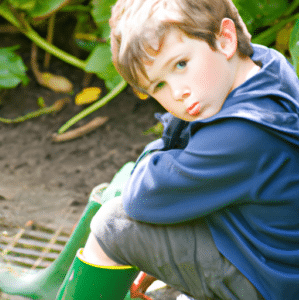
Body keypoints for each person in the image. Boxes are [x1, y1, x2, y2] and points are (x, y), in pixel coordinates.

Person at [56, 0, 299, 299]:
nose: (177, 92)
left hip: (266, 281)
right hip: (267, 253)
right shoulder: (265, 65)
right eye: (158, 86)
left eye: (181, 64)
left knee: (115, 225)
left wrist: (155, 155)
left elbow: (142, 198)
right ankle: (61, 281)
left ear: (225, 39)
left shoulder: (240, 136)